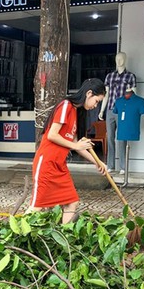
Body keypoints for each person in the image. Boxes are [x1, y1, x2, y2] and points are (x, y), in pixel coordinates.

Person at [26, 78, 108, 224]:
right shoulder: (66, 105)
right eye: (97, 101)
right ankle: (15, 236)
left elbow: (75, 142)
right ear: (89, 94)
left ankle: (65, 239)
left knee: (72, 201)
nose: (96, 106)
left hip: (59, 166)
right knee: (37, 206)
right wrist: (76, 146)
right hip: (46, 163)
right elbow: (52, 135)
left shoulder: (76, 112)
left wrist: (98, 162)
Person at [98, 52, 136, 172]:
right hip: (110, 109)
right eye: (117, 58)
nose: (119, 61)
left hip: (123, 111)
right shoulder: (110, 76)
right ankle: (110, 165)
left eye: (121, 58)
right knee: (110, 137)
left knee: (121, 138)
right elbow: (107, 94)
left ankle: (123, 166)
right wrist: (102, 110)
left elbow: (134, 96)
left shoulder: (130, 76)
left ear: (125, 60)